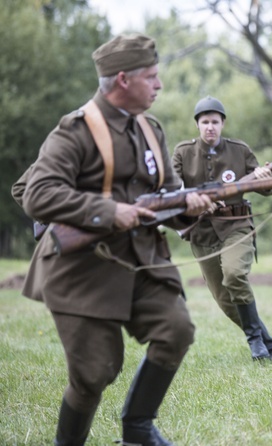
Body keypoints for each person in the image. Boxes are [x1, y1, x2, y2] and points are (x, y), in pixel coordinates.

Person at [15, 33, 213, 445]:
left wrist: (188, 209)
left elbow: (167, 196)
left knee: (176, 328)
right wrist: (109, 211)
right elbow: (35, 193)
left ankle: (137, 430)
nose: (159, 85)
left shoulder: (150, 129)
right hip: (82, 269)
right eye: (152, 77)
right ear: (123, 79)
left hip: (140, 259)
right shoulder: (74, 132)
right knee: (95, 374)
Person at [172, 96, 272, 361]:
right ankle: (266, 343)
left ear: (222, 124)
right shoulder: (183, 152)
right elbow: (171, 190)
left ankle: (255, 341)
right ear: (197, 125)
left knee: (234, 275)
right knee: (224, 300)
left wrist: (266, 178)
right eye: (205, 122)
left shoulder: (239, 150)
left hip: (236, 225)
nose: (210, 127)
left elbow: (265, 189)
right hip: (201, 232)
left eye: (215, 122)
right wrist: (193, 203)